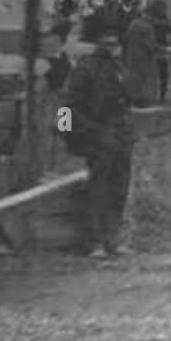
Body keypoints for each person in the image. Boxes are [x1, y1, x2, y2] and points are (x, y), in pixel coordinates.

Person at [61, 20, 133, 257]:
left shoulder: (119, 68)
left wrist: (125, 129)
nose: (112, 44)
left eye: (115, 39)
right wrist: (94, 132)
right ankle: (93, 242)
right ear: (97, 41)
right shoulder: (85, 69)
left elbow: (125, 102)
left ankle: (113, 239)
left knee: (119, 187)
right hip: (98, 135)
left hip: (120, 135)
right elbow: (69, 108)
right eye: (106, 39)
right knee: (98, 187)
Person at [122, 2, 160, 108]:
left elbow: (126, 38)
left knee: (132, 77)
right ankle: (139, 100)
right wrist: (156, 49)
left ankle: (129, 98)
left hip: (131, 55)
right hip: (143, 56)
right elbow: (149, 43)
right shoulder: (147, 26)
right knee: (142, 78)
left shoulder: (133, 23)